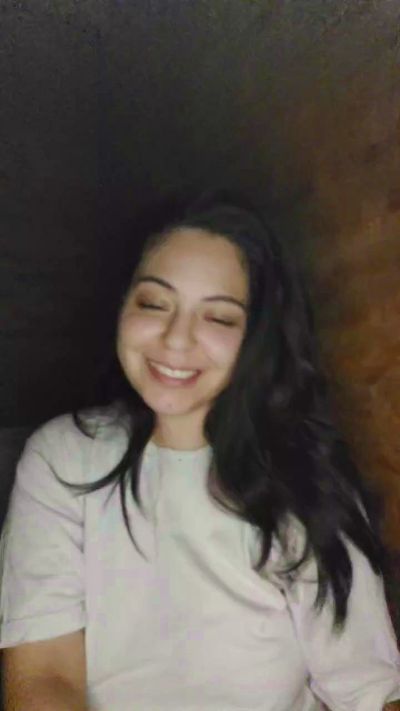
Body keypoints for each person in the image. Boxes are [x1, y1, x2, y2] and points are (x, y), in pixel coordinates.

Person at [0, 191, 399, 711]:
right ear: (122, 305)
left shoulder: (306, 481)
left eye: (219, 318)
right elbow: (43, 675)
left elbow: (369, 691)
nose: (176, 339)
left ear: (256, 337)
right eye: (154, 303)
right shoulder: (64, 458)